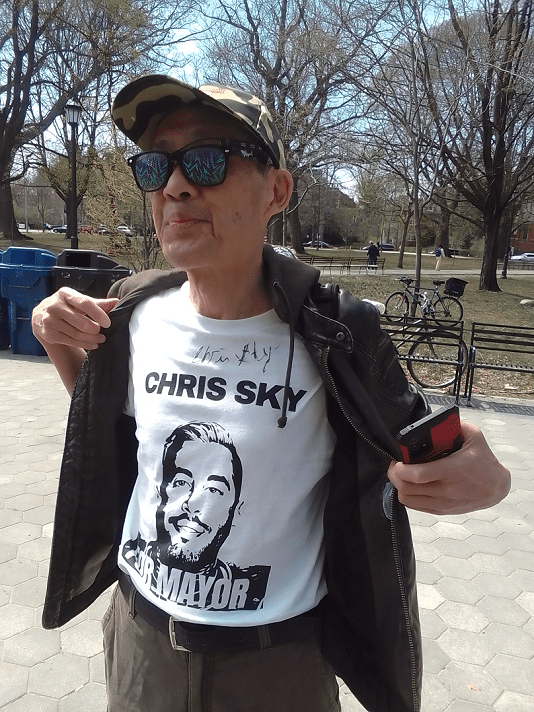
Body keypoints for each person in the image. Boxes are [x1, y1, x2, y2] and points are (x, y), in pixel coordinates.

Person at [32, 74, 510, 712]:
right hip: (142, 650)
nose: (175, 186)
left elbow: (432, 452)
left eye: (207, 160)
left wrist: (492, 479)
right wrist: (58, 341)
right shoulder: (132, 312)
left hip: (277, 666)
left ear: (276, 192)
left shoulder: (336, 332)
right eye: (155, 165)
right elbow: (122, 434)